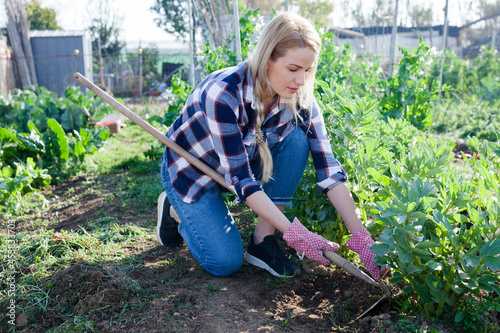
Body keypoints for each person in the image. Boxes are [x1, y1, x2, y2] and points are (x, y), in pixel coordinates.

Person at [156, 12, 387, 280]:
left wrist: (360, 235)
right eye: (292, 69)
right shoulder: (224, 95)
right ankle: (173, 210)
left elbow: (329, 170)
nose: (301, 81)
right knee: (225, 262)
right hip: (192, 170)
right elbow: (243, 180)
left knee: (298, 140)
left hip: (238, 165)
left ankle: (262, 243)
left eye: (307, 70)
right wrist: (297, 235)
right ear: (267, 59)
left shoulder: (299, 98)